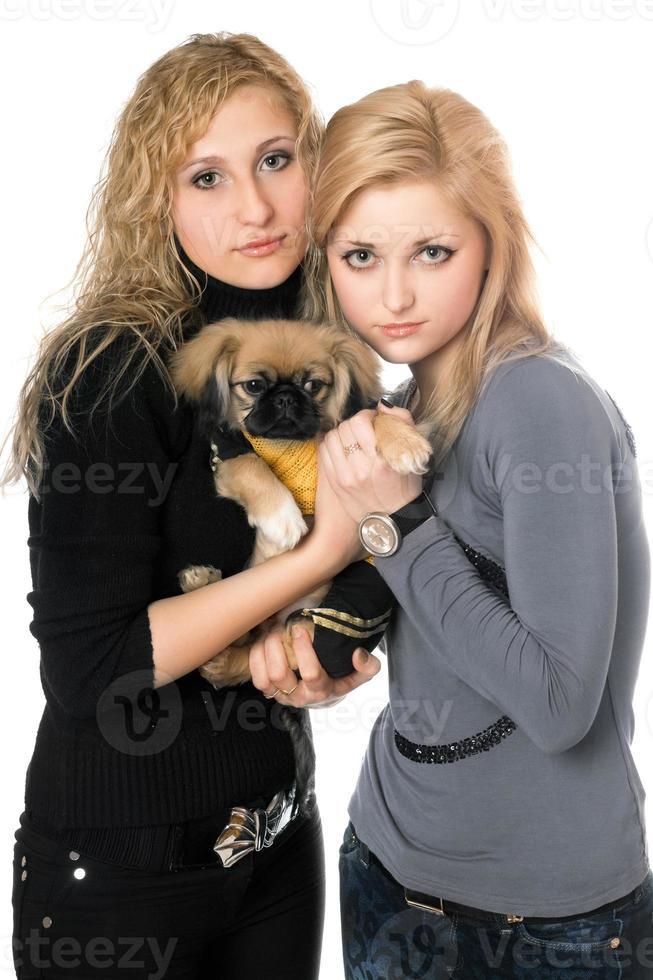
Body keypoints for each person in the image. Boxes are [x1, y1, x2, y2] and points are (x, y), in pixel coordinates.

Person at [250, 80, 653, 977]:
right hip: (389, 872)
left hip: (542, 924)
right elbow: (448, 636)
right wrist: (330, 656)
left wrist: (394, 520)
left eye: (432, 251)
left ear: (491, 245)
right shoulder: (407, 402)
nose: (393, 294)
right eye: (359, 256)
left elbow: (556, 707)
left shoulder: (538, 400)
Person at [2, 32, 381, 980]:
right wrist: (311, 557)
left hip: (276, 839)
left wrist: (322, 653)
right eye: (204, 178)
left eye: (274, 160)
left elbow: (379, 553)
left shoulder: (332, 346)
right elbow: (92, 672)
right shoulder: (110, 369)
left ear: (314, 161)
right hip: (123, 876)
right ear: (156, 200)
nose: (253, 208)